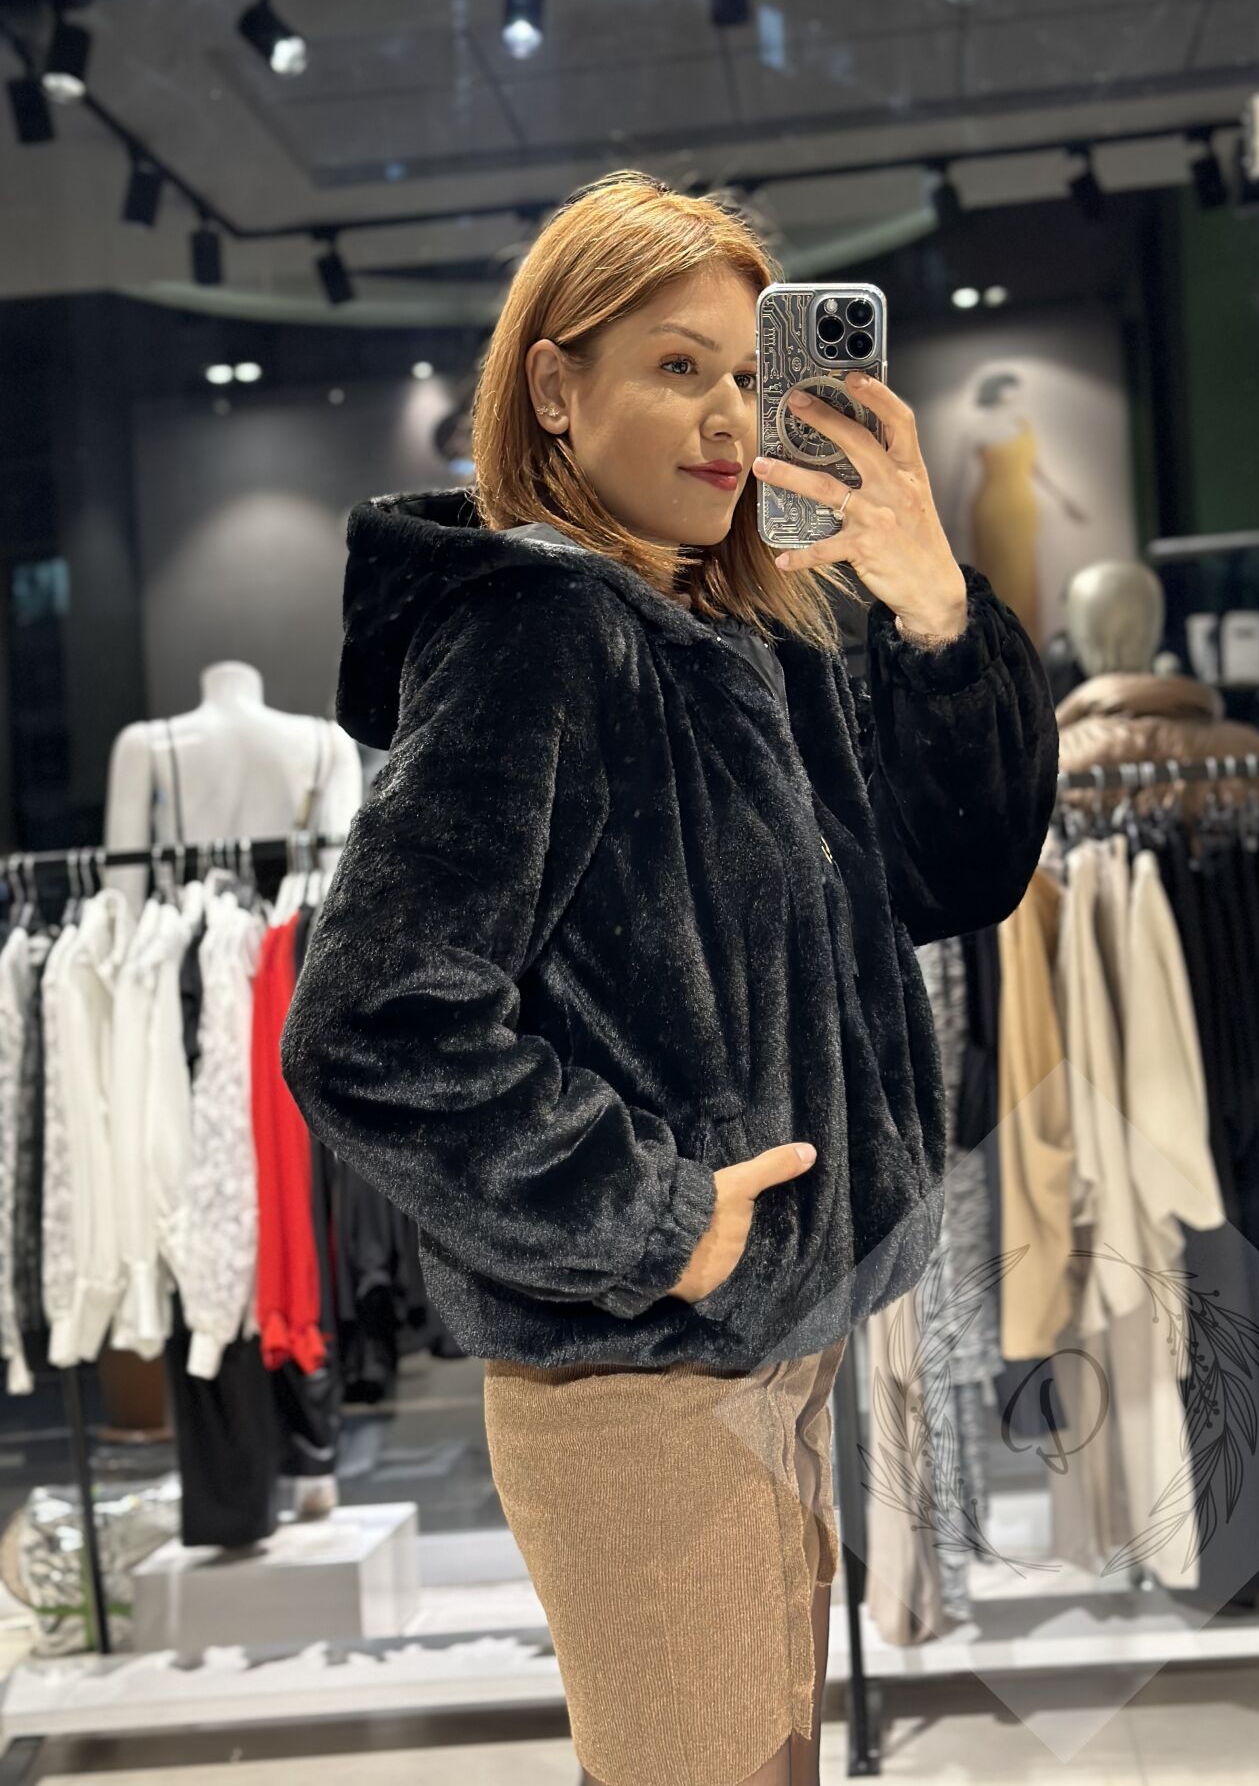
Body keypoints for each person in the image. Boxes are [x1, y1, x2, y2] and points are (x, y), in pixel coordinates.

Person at [280, 171, 1058, 1786]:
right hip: (640, 1376)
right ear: (554, 389)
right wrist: (655, 1219)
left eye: (748, 375)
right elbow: (369, 1021)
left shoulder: (746, 640)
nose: (725, 418)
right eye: (675, 366)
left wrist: (931, 603)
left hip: (757, 1351)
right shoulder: (541, 632)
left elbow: (959, 876)